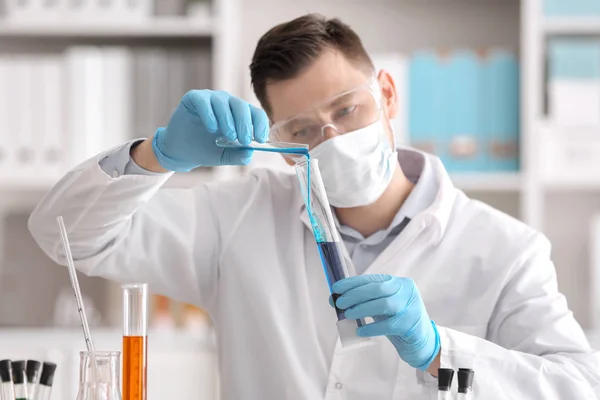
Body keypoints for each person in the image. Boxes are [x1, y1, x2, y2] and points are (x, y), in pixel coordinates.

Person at [28, 13, 600, 400]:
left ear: (388, 93)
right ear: (277, 148)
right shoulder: (237, 219)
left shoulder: (505, 250)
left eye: (347, 110)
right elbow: (65, 234)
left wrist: (437, 350)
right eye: (302, 129)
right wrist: (159, 155)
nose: (331, 138)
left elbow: (578, 386)